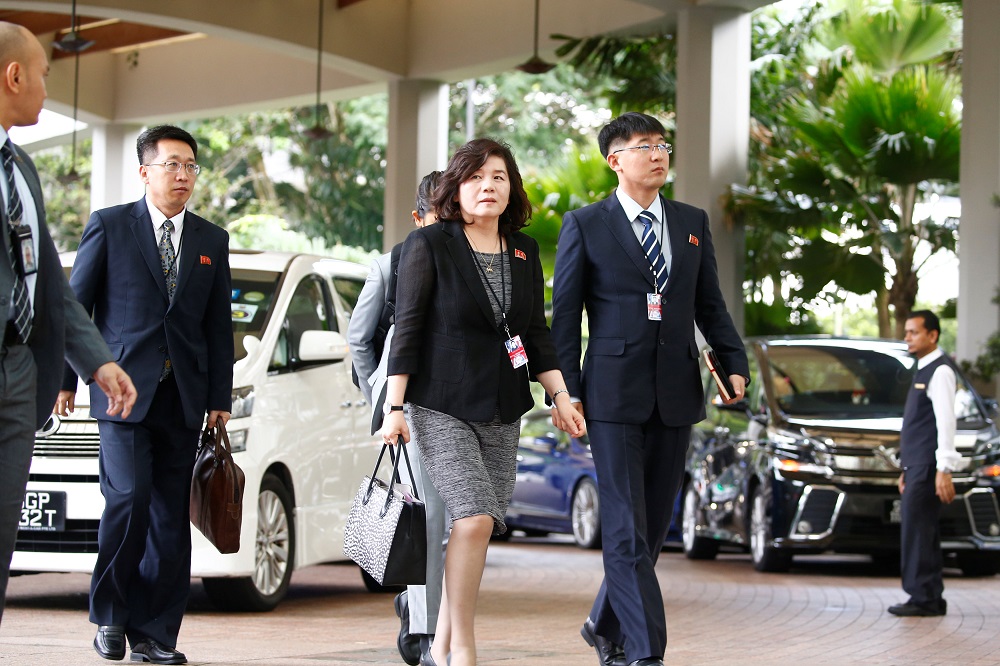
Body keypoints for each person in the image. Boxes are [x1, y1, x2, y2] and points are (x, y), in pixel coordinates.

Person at [549, 112, 748, 666]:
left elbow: (710, 302)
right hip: (610, 395)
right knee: (624, 527)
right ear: (615, 160)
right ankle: (645, 652)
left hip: (678, 390)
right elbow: (566, 317)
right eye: (644, 146)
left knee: (654, 527)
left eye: (663, 145)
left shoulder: (691, 221)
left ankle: (601, 622)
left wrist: (733, 361)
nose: (658, 154)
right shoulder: (586, 224)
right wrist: (565, 392)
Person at [381, 138, 585, 666]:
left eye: (497, 176)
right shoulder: (429, 245)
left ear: (511, 186)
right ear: (456, 187)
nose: (487, 186)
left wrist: (560, 395)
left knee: (484, 524)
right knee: (471, 518)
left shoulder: (524, 250)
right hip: (439, 403)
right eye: (474, 177)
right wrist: (393, 407)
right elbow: (408, 329)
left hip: (504, 405)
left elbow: (536, 333)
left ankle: (444, 645)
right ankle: (465, 648)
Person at [57, 125, 234, 664]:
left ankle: (156, 634)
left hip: (184, 399)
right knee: (129, 500)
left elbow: (217, 327)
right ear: (145, 171)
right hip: (122, 397)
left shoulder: (211, 239)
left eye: (190, 167)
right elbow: (76, 308)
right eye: (172, 165)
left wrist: (219, 398)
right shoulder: (109, 227)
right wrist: (68, 380)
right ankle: (110, 616)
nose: (183, 176)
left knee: (167, 519)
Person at [0, 21, 138, 625]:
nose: (45, 90)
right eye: (44, 75)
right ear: (13, 76)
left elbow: (46, 282)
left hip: (17, 375)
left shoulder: (21, 168)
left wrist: (98, 361)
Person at [347, 170, 446, 665]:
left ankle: (416, 603)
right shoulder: (390, 265)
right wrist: (379, 393)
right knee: (429, 515)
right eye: (437, 215)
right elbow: (360, 339)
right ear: (418, 217)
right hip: (405, 410)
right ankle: (429, 634)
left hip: (458, 406)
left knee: (451, 522)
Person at [888, 310, 958, 618]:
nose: (908, 337)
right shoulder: (923, 369)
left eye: (914, 332)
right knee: (918, 529)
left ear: (933, 335)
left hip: (930, 466)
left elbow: (946, 423)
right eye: (906, 332)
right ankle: (928, 595)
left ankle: (924, 597)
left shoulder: (940, 372)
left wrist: (945, 468)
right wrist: (906, 469)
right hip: (917, 466)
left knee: (919, 531)